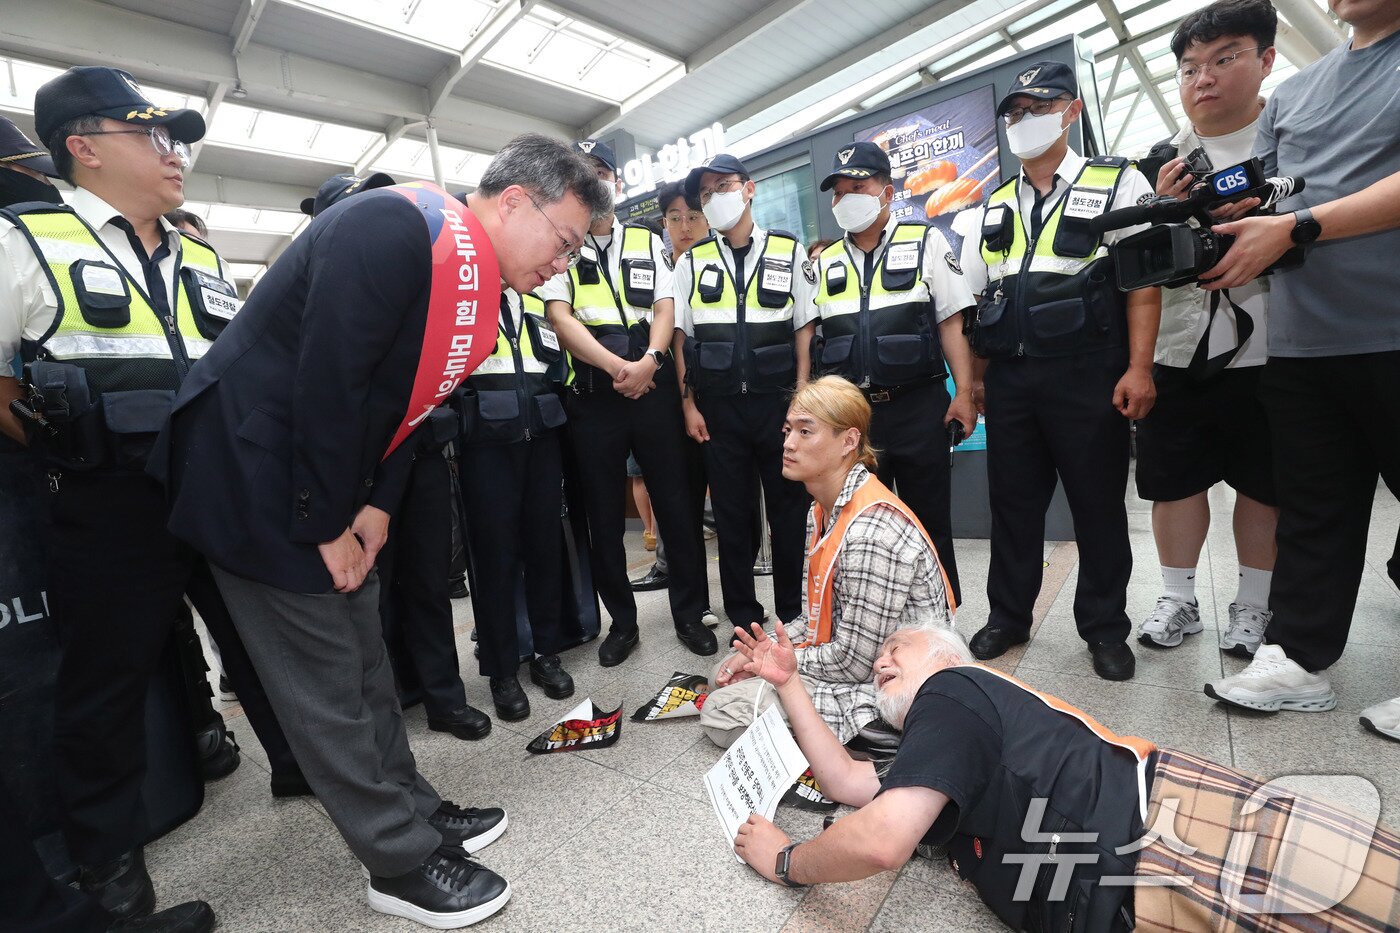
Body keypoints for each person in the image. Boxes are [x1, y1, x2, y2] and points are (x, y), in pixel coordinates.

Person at [152, 133, 610, 927]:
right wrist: (327, 519)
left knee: (366, 657)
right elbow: (328, 379)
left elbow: (414, 408)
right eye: (564, 242)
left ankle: (415, 810)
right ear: (512, 201)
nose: (562, 265)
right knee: (325, 680)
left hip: (333, 481)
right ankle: (397, 863)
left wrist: (375, 511)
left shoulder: (474, 285)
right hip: (256, 472)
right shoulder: (396, 228)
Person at [0, 69, 269, 923]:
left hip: (214, 489)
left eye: (177, 139)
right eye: (150, 135)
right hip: (109, 500)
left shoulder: (196, 250)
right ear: (84, 147)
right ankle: (106, 852)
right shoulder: (24, 240)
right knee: (105, 683)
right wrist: (57, 443)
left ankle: (305, 767)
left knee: (264, 648)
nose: (172, 154)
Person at [726, 621, 1400, 932]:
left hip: (1168, 835)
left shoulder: (956, 689)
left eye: (893, 649)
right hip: (1135, 883)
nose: (879, 665)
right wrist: (788, 683)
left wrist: (786, 860)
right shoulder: (944, 751)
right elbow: (847, 780)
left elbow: (881, 838)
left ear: (943, 651)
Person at [1202, 0, 1400, 739]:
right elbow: (1274, 192)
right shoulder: (1296, 92)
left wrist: (1300, 226)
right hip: (1305, 340)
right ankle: (1298, 657)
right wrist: (1211, 215)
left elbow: (1298, 217)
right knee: (1316, 509)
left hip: (1392, 327)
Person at [960, 61, 1161, 681]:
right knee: (1013, 507)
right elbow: (976, 304)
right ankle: (1008, 617)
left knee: (1097, 505)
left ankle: (1104, 628)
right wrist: (977, 383)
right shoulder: (989, 207)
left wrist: (1139, 369)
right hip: (1014, 382)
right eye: (1015, 113)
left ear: (1070, 111)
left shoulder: (1116, 182)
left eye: (1038, 108)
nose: (1024, 122)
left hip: (1088, 374)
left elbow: (1142, 284)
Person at [291, 170, 489, 742]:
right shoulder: (322, 288)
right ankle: (389, 698)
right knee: (362, 596)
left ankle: (443, 697)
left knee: (427, 580)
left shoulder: (427, 276)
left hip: (417, 457)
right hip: (347, 469)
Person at [1131, 0, 1281, 657]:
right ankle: (1177, 597)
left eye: (1225, 58)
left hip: (1276, 351)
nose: (1205, 78)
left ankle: (1254, 606)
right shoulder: (1159, 161)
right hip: (1178, 350)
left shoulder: (1293, 143)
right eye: (1191, 67)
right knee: (1174, 482)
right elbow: (1134, 269)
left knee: (1264, 485)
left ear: (1265, 60)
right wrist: (1160, 207)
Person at [701, 376, 954, 748]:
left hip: (895, 683)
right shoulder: (821, 510)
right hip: (854, 657)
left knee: (722, 710)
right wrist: (763, 650)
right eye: (788, 430)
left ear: (849, 442)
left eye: (806, 432)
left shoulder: (871, 532)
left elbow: (855, 663)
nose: (788, 443)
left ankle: (882, 734)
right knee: (720, 674)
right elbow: (813, 617)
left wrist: (771, 661)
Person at [541, 140, 716, 666]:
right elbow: (561, 317)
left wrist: (650, 362)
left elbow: (666, 306)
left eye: (604, 173)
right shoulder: (560, 245)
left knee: (677, 506)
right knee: (602, 518)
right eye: (585, 174)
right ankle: (622, 622)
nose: (597, 182)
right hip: (594, 399)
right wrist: (615, 366)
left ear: (616, 183)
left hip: (652, 393)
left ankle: (691, 613)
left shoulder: (646, 240)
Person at [811, 141, 978, 605]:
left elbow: (951, 322)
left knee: (928, 523)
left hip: (918, 408)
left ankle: (941, 620)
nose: (847, 199)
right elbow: (812, 340)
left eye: (857, 187)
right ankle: (868, 619)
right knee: (859, 527)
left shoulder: (925, 241)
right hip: (853, 422)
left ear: (886, 192)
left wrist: (964, 391)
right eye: (839, 193)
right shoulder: (822, 265)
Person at [673, 153, 816, 633]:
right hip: (717, 409)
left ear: (749, 189)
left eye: (724, 186)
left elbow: (803, 328)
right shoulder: (692, 261)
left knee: (788, 509)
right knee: (732, 517)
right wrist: (688, 403)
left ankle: (793, 611)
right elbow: (681, 339)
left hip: (778, 405)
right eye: (706, 193)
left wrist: (801, 397)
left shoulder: (788, 250)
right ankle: (743, 615)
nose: (715, 198)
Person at [454, 286, 577, 721]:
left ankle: (546, 653)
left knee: (545, 552)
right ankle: (502, 670)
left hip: (540, 442)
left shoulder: (536, 307)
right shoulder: (462, 305)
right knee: (494, 562)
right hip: (487, 449)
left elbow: (558, 371)